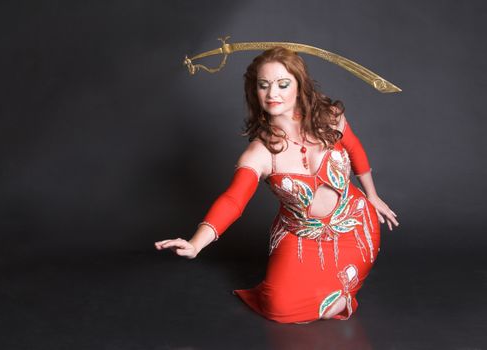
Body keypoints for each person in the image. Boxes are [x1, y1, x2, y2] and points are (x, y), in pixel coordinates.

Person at [155, 47, 399, 323]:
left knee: (339, 287)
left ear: (299, 86)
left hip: (354, 226)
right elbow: (233, 200)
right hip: (299, 235)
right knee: (279, 307)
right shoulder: (259, 154)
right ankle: (329, 293)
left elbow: (354, 148)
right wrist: (196, 244)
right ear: (254, 91)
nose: (273, 94)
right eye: (264, 85)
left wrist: (373, 195)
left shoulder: (330, 118)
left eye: (283, 84)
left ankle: (340, 292)